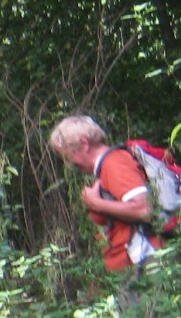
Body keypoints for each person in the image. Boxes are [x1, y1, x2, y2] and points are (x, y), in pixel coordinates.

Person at [47, 114, 157, 274]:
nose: (68, 164)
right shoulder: (106, 167)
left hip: (146, 262)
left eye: (67, 155)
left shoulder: (114, 163)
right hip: (134, 264)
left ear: (84, 143)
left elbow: (144, 209)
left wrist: (96, 204)